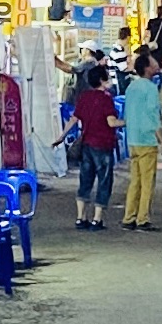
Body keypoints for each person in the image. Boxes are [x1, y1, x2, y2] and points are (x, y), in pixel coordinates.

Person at [68, 58, 120, 228]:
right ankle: (97, 219)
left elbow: (74, 119)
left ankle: (80, 218)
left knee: (85, 180)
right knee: (104, 181)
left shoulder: (84, 97)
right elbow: (111, 122)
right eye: (107, 78)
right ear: (101, 81)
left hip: (86, 145)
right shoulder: (106, 98)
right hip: (103, 145)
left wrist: (61, 137)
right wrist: (130, 121)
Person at [120, 49, 162, 227]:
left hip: (133, 139)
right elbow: (153, 115)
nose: (156, 64)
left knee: (135, 181)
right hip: (147, 140)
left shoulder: (131, 87)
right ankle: (142, 218)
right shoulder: (151, 88)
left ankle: (128, 217)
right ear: (147, 68)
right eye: (153, 62)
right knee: (147, 183)